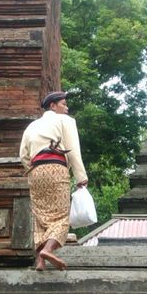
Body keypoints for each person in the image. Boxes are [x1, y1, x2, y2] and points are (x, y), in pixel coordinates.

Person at [19, 91, 88, 271]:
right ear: (53, 106)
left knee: (40, 217)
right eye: (64, 104)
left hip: (36, 172)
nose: (67, 107)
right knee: (60, 216)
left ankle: (40, 261)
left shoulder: (31, 126)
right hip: (56, 168)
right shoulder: (66, 121)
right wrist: (81, 176)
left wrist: (32, 170)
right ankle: (48, 251)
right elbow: (73, 150)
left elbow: (23, 155)